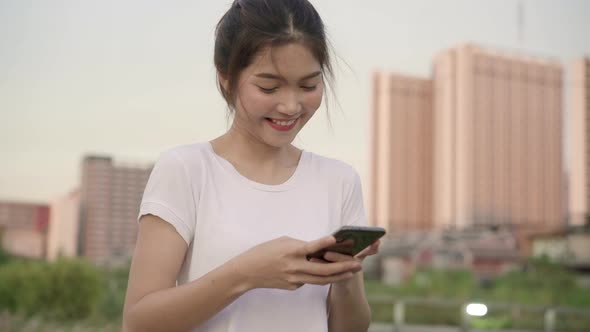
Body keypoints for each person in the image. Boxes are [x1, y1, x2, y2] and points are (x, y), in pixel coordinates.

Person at [122, 0, 380, 331]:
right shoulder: (187, 170)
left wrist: (344, 276)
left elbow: (350, 328)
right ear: (226, 78)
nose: (290, 106)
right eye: (268, 87)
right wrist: (247, 274)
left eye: (308, 85)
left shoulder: (339, 181)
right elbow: (138, 322)